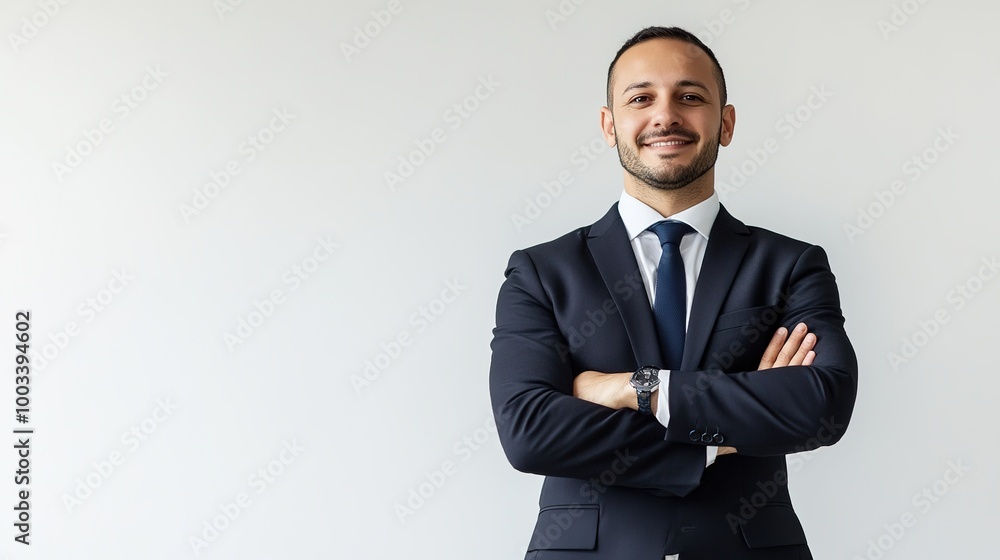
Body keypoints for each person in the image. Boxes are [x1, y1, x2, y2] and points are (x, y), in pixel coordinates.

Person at [488, 26, 858, 559]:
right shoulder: (542, 272)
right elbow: (528, 430)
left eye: (690, 96)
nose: (666, 116)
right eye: (641, 98)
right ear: (609, 125)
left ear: (725, 123)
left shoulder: (791, 265)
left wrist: (637, 388)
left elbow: (822, 406)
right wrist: (719, 437)